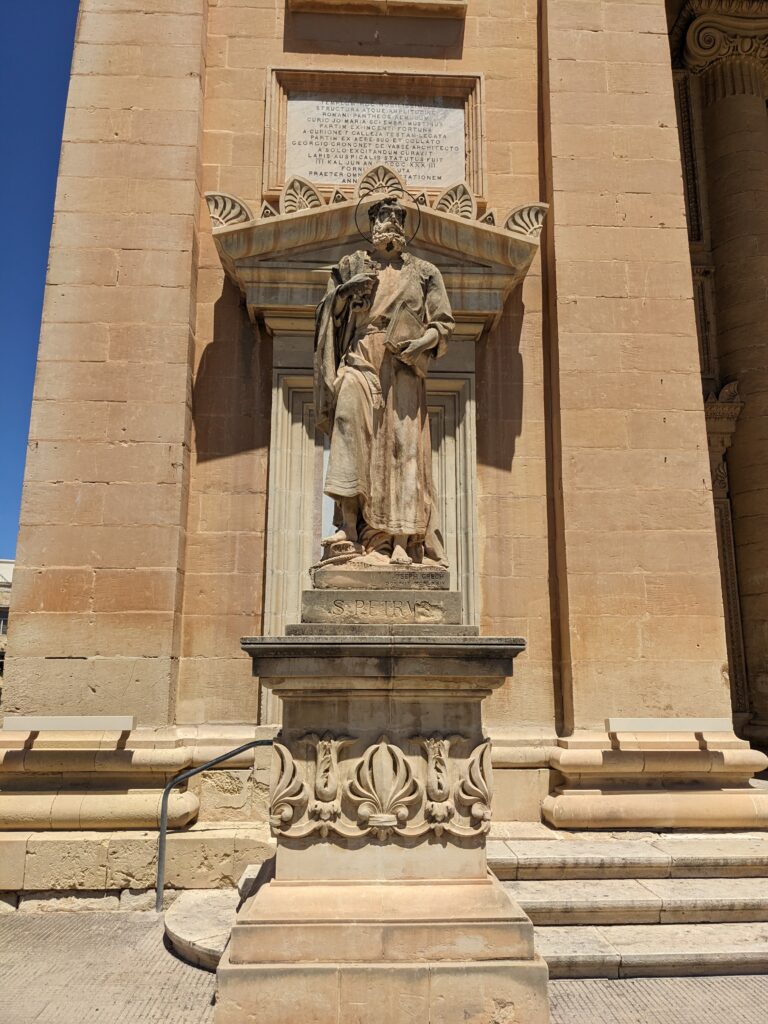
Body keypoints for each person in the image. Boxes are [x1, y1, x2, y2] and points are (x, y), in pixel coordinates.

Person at [313, 197, 455, 566]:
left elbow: (443, 322)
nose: (388, 224)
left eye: (395, 219)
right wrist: (345, 292)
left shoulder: (425, 272)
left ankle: (399, 539)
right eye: (381, 217)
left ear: (403, 227)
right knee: (347, 425)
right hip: (361, 354)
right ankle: (346, 525)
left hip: (403, 364)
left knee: (402, 446)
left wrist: (425, 340)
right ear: (372, 224)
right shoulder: (350, 265)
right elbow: (326, 311)